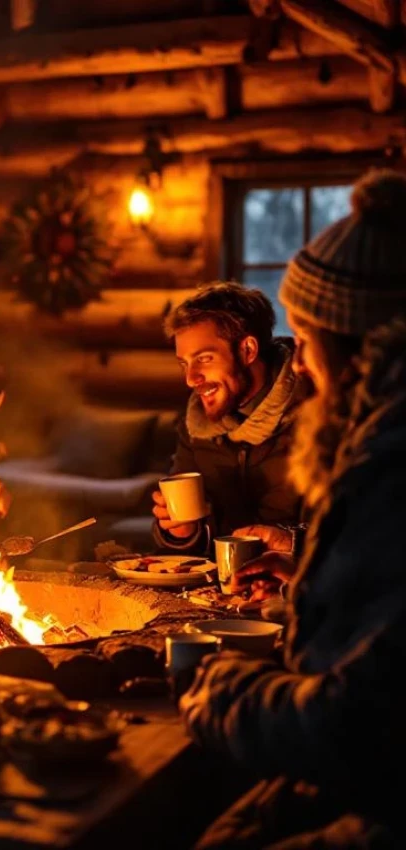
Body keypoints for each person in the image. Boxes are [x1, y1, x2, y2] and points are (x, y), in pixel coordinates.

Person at [181, 169, 406, 848]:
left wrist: (222, 690)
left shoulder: (391, 468)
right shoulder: (375, 443)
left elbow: (360, 729)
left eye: (305, 342)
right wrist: (306, 596)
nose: (298, 365)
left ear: (362, 349)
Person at [151, 282, 305, 555]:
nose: (190, 379)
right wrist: (183, 533)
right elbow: (193, 552)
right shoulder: (196, 425)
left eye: (204, 359)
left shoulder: (317, 413)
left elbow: (355, 534)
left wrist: (290, 543)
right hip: (221, 591)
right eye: (184, 363)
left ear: (247, 350)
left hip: (299, 590)